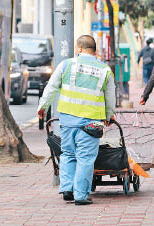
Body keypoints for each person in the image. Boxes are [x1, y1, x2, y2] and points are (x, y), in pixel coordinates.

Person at [37, 35, 116, 205]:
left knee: (68, 154)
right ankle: (80, 195)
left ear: (79, 49)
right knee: (85, 159)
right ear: (94, 51)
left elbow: (51, 88)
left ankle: (67, 188)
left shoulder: (66, 65)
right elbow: (110, 97)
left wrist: (43, 107)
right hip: (91, 122)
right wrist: (109, 115)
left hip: (68, 120)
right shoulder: (104, 70)